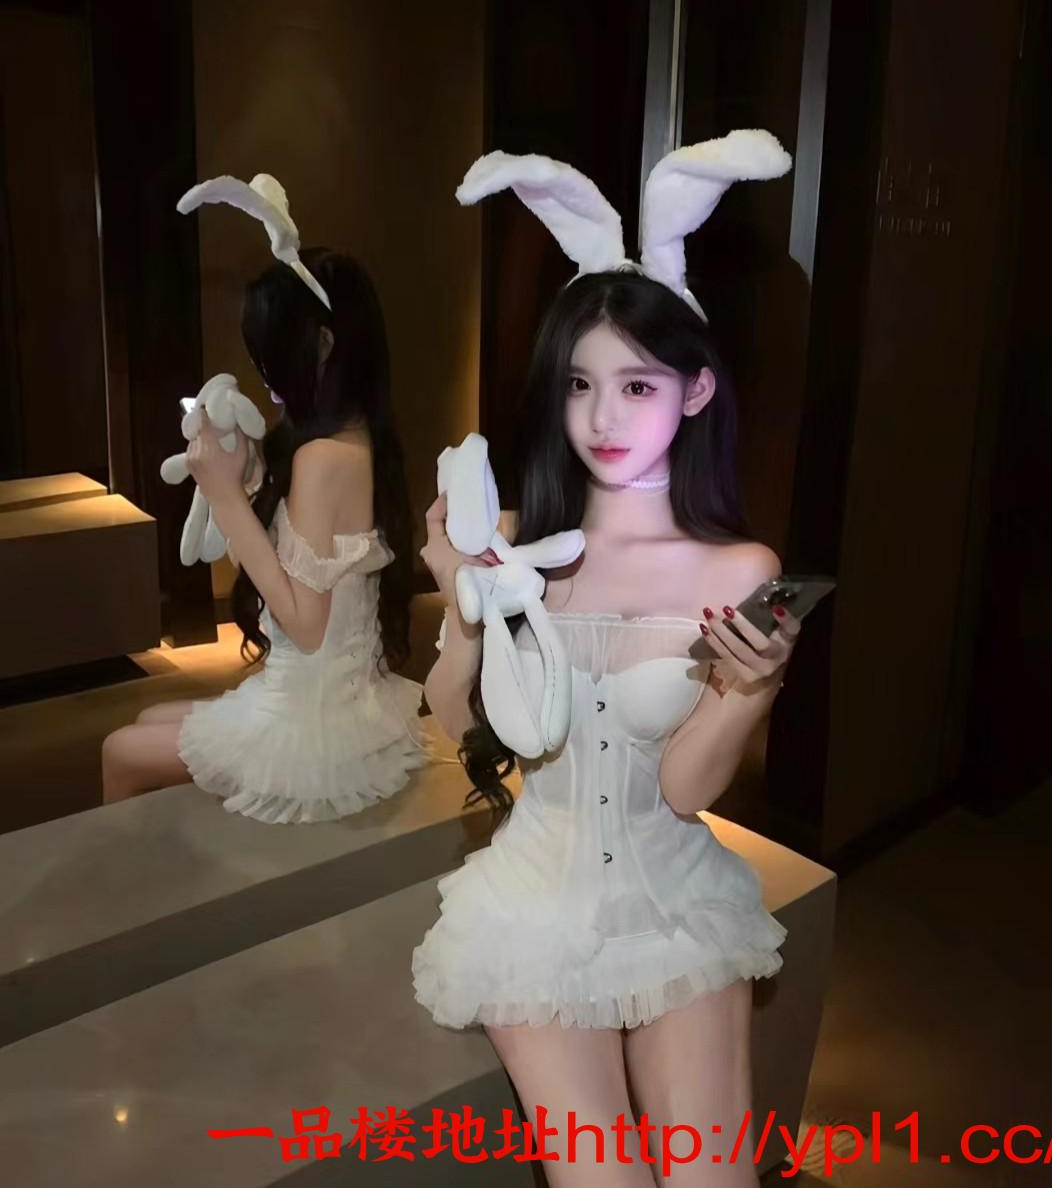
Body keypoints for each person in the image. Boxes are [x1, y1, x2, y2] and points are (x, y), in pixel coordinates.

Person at [412, 138, 800, 1183]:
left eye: (637, 384)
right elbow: (458, 722)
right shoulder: (519, 545)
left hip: (674, 900)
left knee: (712, 1178)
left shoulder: (737, 567)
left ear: (696, 391)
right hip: (532, 905)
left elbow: (683, 789)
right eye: (580, 383)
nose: (601, 417)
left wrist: (751, 688)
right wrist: (463, 598)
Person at [101, 240, 430, 823]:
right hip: (340, 702)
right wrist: (248, 486)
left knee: (120, 750)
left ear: (322, 345)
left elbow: (305, 625)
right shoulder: (357, 439)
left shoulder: (321, 457)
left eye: (270, 353)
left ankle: (128, 875)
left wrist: (226, 497)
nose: (263, 371)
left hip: (310, 723)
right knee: (149, 720)